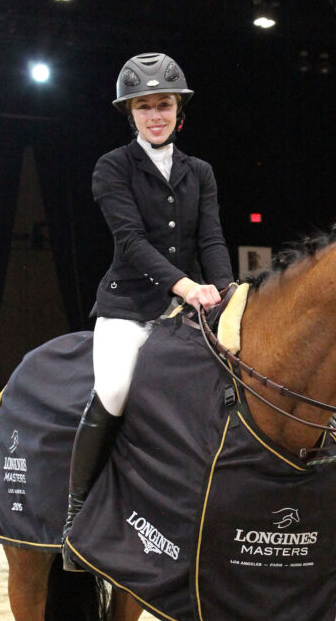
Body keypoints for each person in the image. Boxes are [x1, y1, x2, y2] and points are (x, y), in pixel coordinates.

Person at [62, 52, 233, 569]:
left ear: (178, 110)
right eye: (144, 107)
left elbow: (212, 238)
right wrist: (186, 287)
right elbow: (131, 241)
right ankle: (76, 517)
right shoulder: (112, 167)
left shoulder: (199, 171)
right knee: (113, 391)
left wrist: (228, 292)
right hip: (128, 307)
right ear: (130, 114)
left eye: (163, 105)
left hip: (187, 308)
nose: (155, 115)